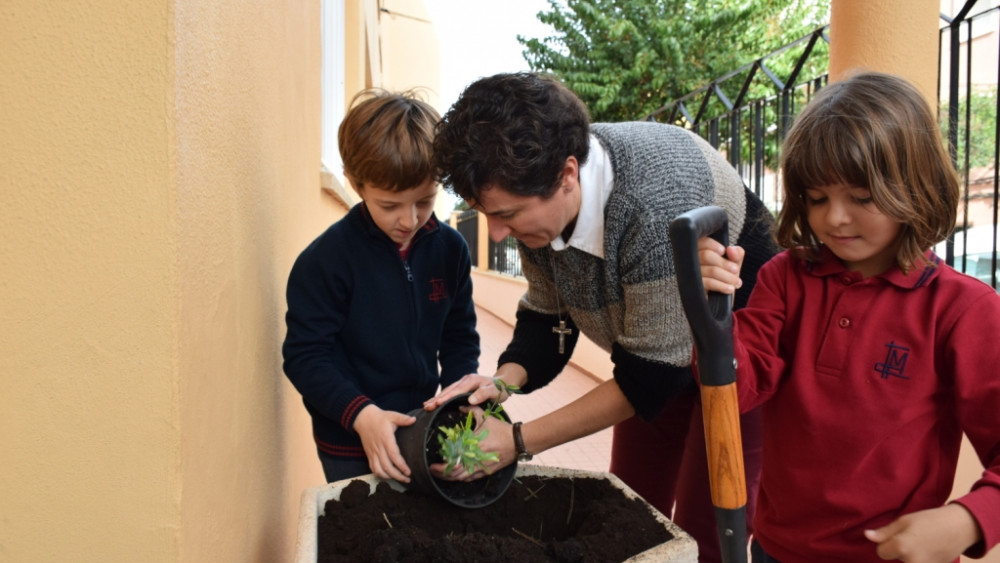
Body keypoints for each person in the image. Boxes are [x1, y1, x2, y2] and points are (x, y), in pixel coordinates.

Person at [426, 71, 778, 562]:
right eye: (487, 213)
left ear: (567, 174)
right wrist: (500, 384)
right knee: (629, 508)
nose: (497, 233)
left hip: (738, 367)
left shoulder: (653, 205)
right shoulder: (539, 209)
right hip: (652, 354)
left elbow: (648, 380)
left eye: (507, 214)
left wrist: (518, 441)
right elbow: (548, 322)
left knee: (707, 534)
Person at [698, 71, 1000, 562]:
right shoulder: (785, 277)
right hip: (776, 549)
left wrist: (970, 517)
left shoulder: (963, 310)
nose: (834, 218)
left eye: (861, 197)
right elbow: (736, 385)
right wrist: (711, 314)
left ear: (917, 186)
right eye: (817, 198)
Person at [282, 89, 480, 484]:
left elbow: (459, 338)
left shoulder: (451, 250)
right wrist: (361, 415)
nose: (409, 220)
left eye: (425, 201)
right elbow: (305, 357)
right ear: (355, 183)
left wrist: (459, 400)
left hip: (423, 429)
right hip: (352, 442)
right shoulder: (324, 262)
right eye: (390, 205)